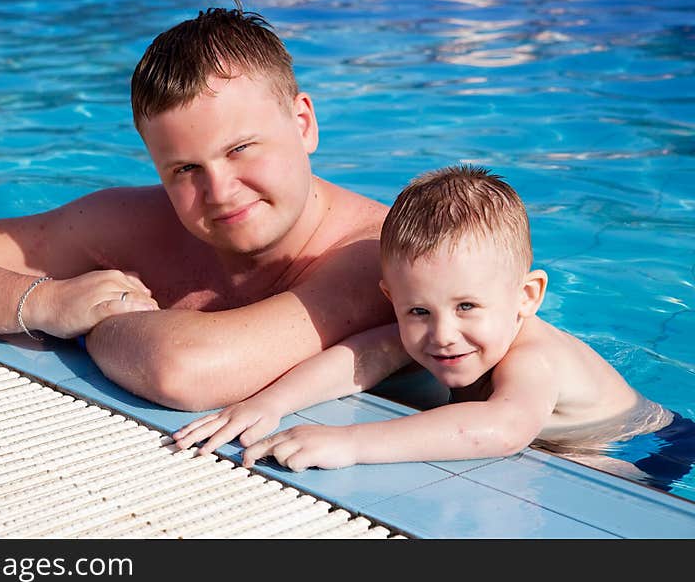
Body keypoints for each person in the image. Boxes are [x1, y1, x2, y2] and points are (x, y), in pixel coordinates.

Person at [0, 5, 395, 412]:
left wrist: (93, 322)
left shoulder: (382, 255)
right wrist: (46, 304)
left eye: (240, 149)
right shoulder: (138, 224)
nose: (219, 191)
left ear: (303, 124)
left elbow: (185, 369)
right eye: (185, 170)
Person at [174, 164, 678, 473]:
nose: (441, 334)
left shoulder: (536, 360)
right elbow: (360, 357)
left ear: (526, 296)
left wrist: (351, 442)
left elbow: (501, 429)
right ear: (391, 297)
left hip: (646, 446)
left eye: (466, 307)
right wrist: (270, 402)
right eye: (417, 311)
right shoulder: (434, 330)